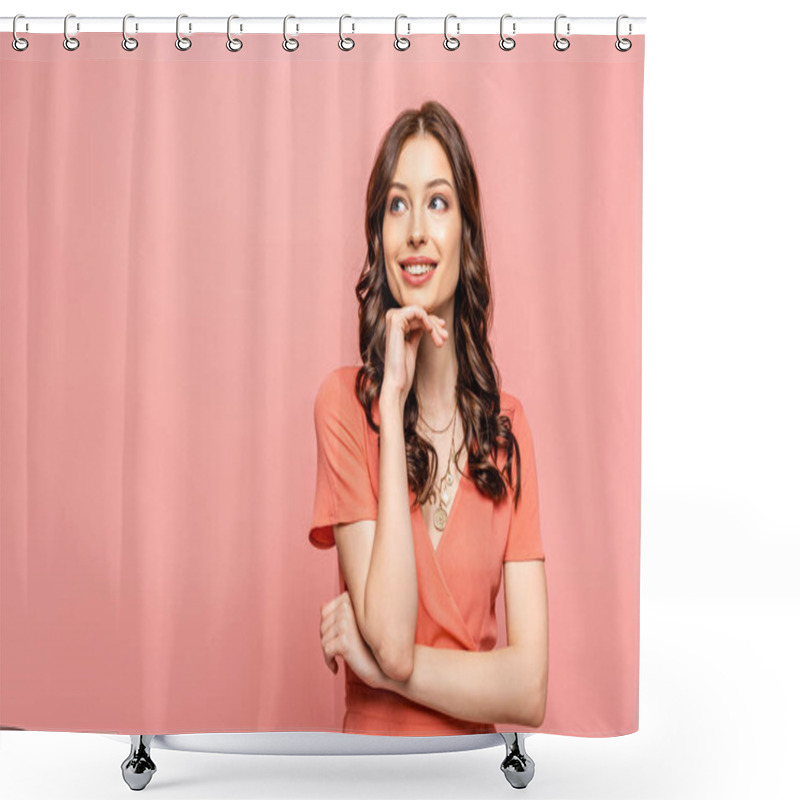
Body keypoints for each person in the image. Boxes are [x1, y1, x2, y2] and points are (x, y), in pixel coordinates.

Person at [308, 100, 548, 736]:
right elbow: (389, 635)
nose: (415, 229)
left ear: (466, 231)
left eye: (437, 202)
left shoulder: (508, 430)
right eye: (396, 204)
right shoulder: (343, 406)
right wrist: (390, 402)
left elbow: (529, 690)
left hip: (471, 776)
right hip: (369, 775)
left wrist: (391, 673)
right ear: (379, 236)